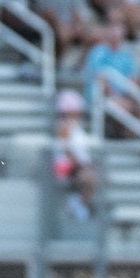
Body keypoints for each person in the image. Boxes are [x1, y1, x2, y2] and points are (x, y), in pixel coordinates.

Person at [52, 88, 98, 217]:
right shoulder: (64, 126)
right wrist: (82, 165)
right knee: (89, 177)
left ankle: (79, 202)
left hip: (76, 166)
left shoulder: (75, 125)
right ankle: (78, 203)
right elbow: (67, 150)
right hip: (67, 167)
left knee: (92, 177)